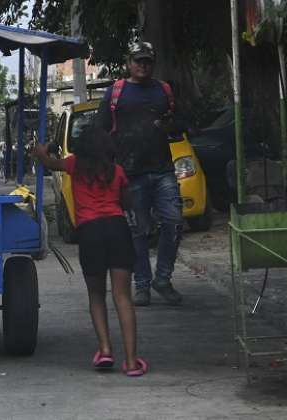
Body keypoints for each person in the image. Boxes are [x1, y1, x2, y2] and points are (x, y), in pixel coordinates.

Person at [32, 126, 147, 376]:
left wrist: (40, 152)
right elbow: (126, 203)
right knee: (123, 297)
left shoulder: (75, 165)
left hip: (90, 233)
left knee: (96, 295)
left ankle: (105, 350)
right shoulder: (117, 172)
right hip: (117, 230)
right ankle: (131, 361)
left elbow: (51, 163)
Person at [96, 41, 184, 307]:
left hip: (163, 170)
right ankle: (142, 285)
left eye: (147, 61)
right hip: (129, 174)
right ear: (129, 63)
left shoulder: (163, 90)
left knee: (174, 222)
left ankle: (163, 279)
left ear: (152, 63)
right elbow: (100, 130)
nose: (142, 65)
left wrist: (169, 125)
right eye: (138, 61)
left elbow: (180, 124)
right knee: (138, 232)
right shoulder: (116, 92)